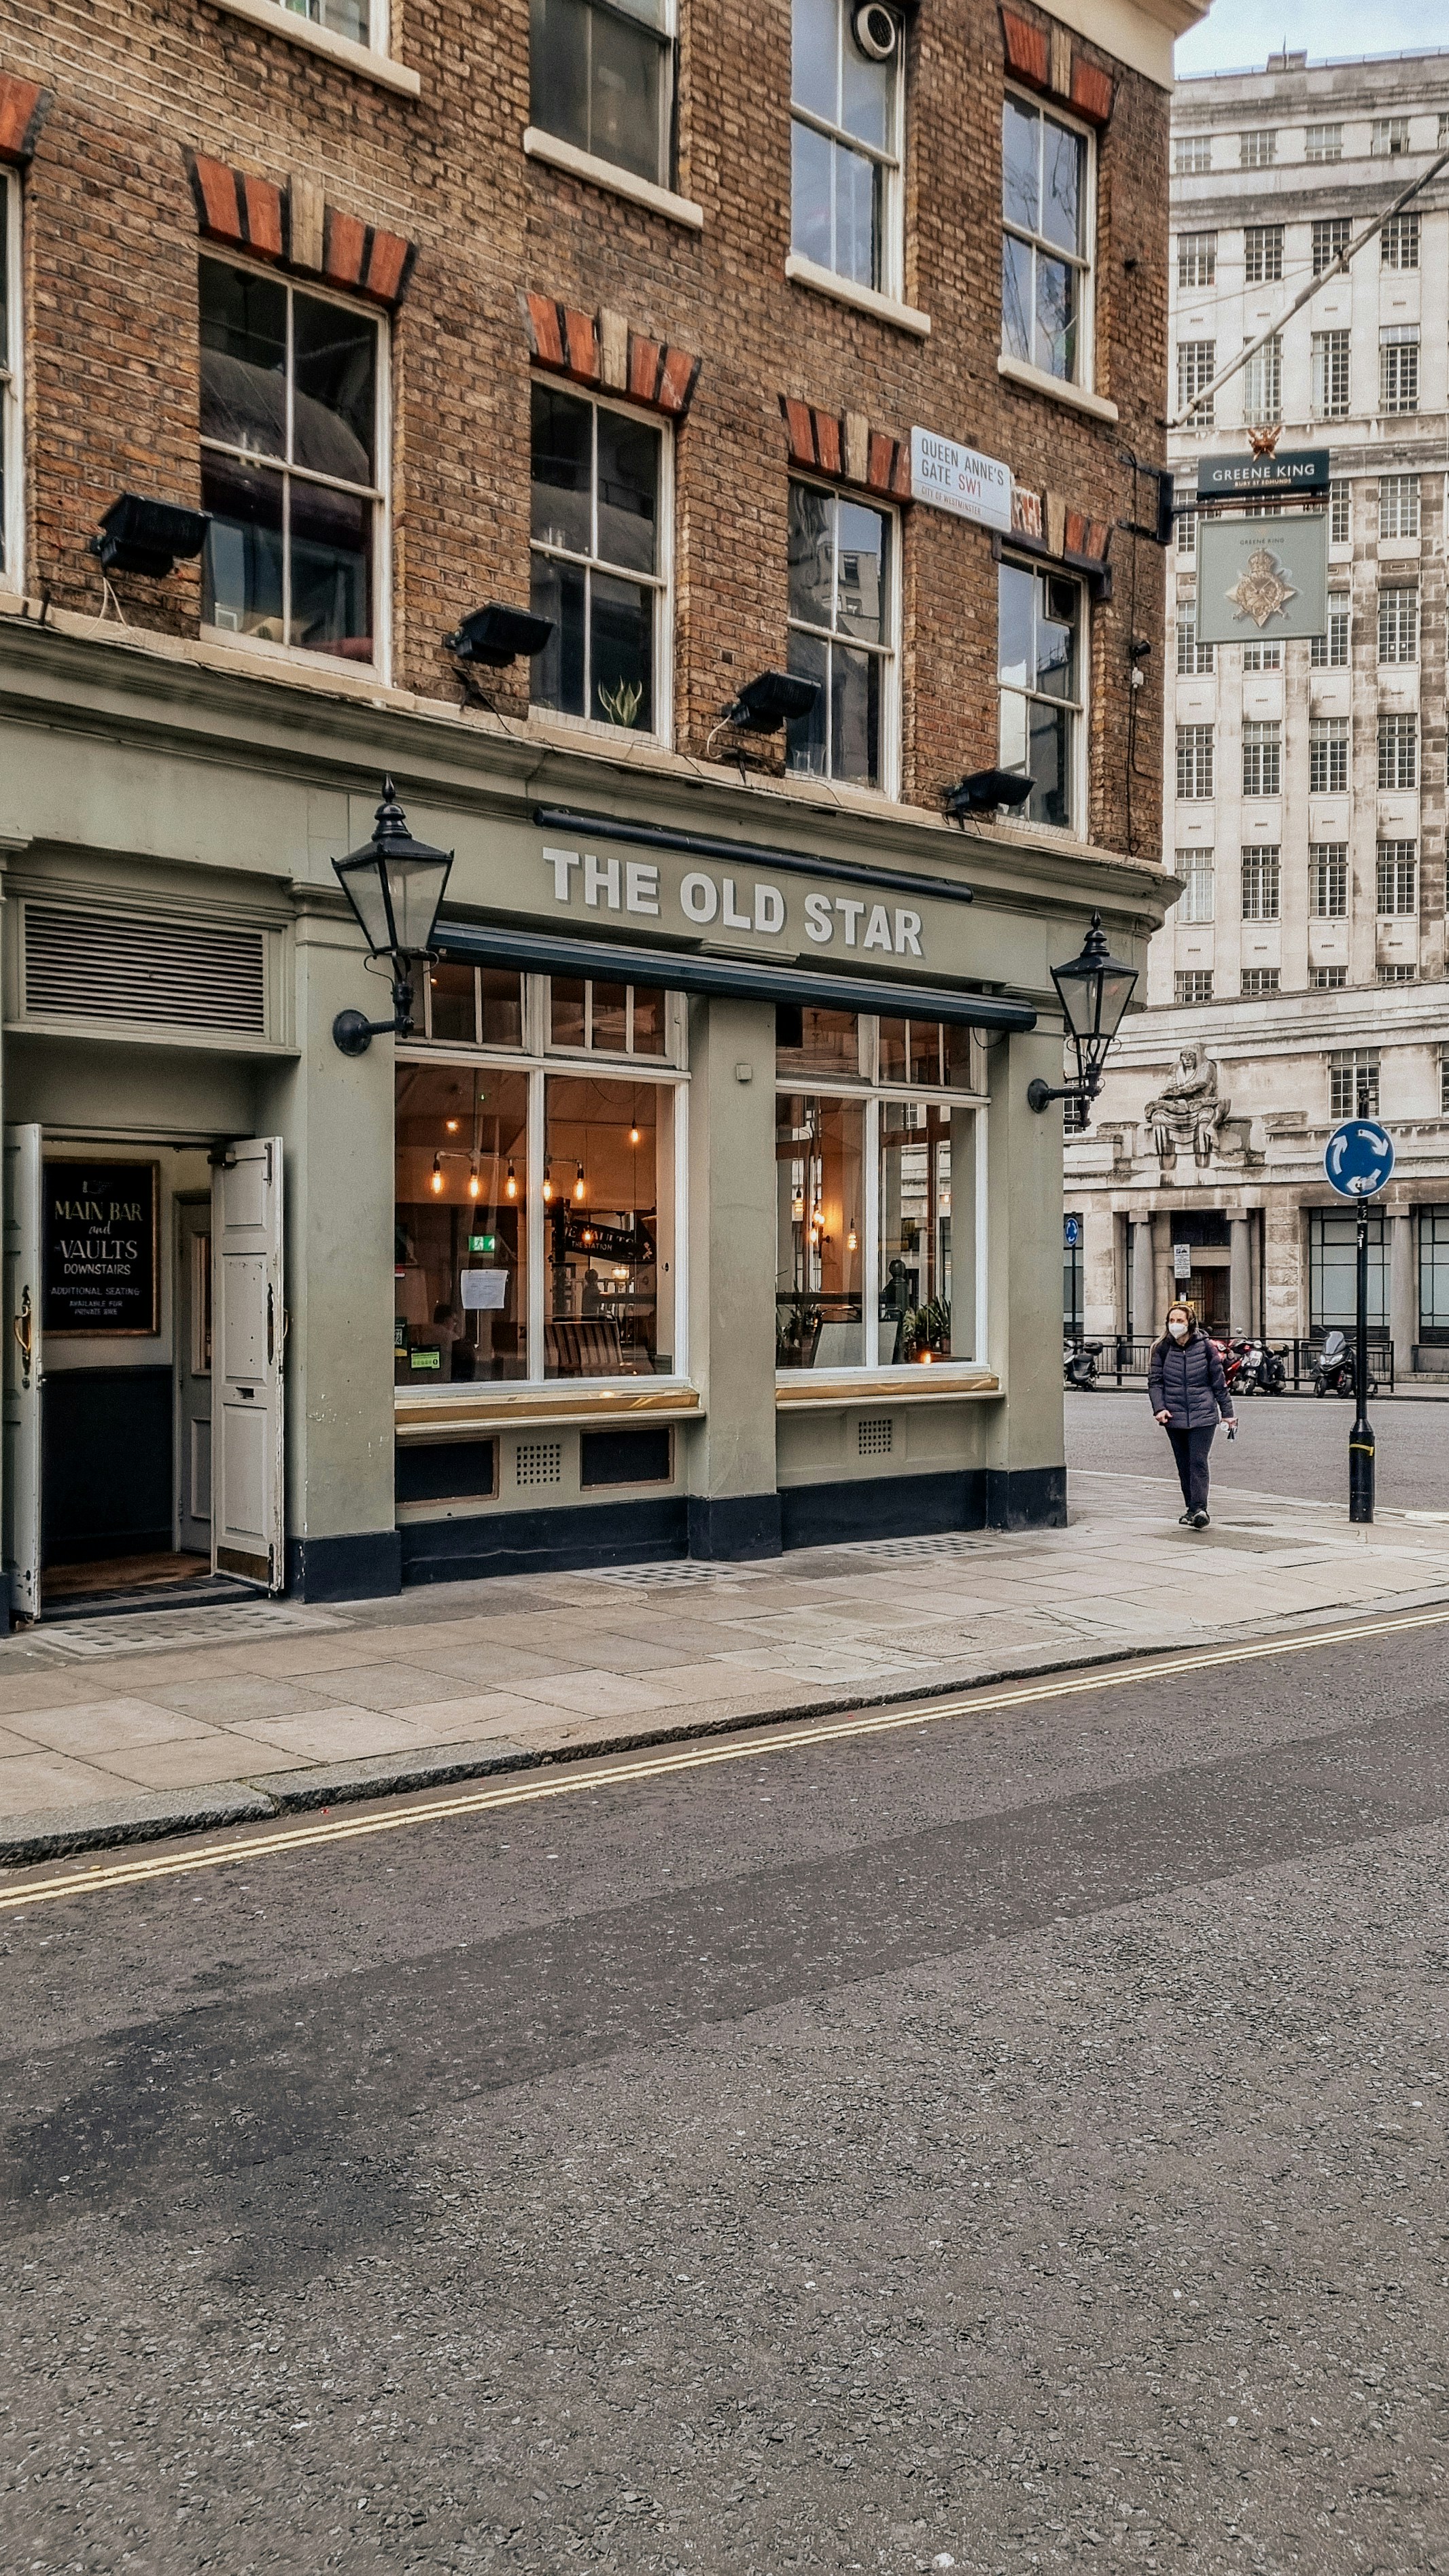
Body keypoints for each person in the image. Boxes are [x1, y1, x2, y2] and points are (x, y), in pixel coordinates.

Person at [1147, 1300, 1236, 1527]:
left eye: (1180, 1320)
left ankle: (1200, 1510)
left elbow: (1219, 1383)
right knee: (1183, 1464)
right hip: (1174, 1416)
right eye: (1172, 1321)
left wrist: (1228, 1414)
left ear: (1190, 1323)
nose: (1175, 1324)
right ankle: (1191, 1509)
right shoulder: (1162, 1348)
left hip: (1203, 1414)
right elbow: (1155, 1382)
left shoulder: (1206, 1347)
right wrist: (1159, 1408)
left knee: (1198, 1461)